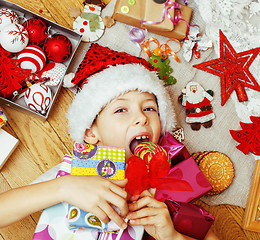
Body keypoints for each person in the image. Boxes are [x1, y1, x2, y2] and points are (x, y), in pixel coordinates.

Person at [0, 43, 219, 240]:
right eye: (121, 110)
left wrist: (171, 237)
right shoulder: (74, 174)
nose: (142, 117)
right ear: (90, 133)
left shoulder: (168, 187)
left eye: (150, 108)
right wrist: (62, 188)